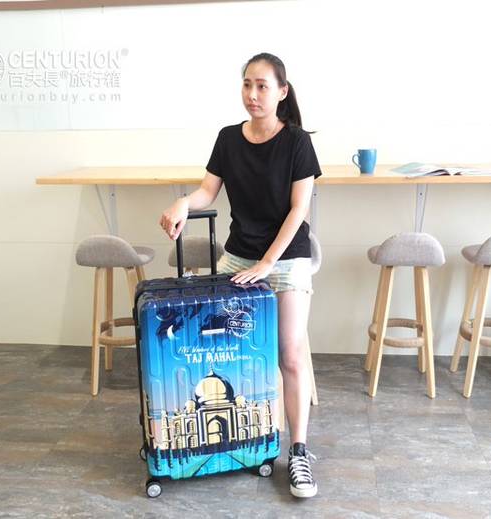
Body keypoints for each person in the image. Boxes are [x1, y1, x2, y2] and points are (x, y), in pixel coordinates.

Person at [159, 52, 321, 498]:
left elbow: (299, 210)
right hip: (237, 259)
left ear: (282, 92)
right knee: (231, 356)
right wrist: (182, 202)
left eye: (262, 86)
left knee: (289, 354)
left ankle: (299, 452)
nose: (253, 94)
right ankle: (239, 440)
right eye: (247, 84)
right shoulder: (228, 138)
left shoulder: (297, 142)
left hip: (285, 260)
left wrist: (267, 263)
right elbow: (207, 190)